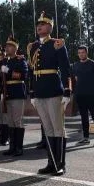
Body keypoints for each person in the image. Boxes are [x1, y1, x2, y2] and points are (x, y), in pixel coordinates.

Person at [28, 12, 72, 175]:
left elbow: (66, 69)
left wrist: (67, 90)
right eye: (38, 24)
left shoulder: (57, 43)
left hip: (54, 90)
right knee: (48, 129)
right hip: (39, 91)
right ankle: (51, 162)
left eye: (43, 24)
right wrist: (32, 92)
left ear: (50, 27)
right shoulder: (32, 47)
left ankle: (60, 164)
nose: (39, 26)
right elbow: (32, 72)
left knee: (58, 129)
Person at [0, 35, 28, 157]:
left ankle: (19, 148)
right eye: (6, 46)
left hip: (17, 92)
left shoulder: (20, 60)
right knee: (10, 121)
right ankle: (12, 147)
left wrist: (10, 72)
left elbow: (24, 76)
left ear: (15, 48)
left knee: (17, 120)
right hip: (7, 93)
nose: (7, 48)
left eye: (10, 46)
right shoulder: (3, 61)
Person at [71, 46, 94, 146]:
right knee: (84, 117)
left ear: (86, 53)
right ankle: (86, 138)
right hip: (80, 95)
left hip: (91, 94)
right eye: (79, 52)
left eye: (83, 52)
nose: (81, 54)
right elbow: (75, 79)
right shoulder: (75, 65)